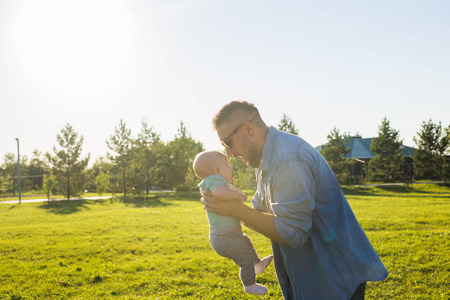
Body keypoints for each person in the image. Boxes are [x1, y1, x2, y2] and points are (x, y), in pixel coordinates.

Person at [202, 101, 388, 300]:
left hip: (333, 280)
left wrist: (235, 210)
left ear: (248, 128)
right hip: (314, 276)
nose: (228, 153)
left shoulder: (288, 159)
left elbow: (292, 233)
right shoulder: (266, 158)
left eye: (227, 143)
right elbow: (259, 209)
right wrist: (224, 205)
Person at [193, 150, 274, 295]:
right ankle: (249, 285)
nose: (231, 167)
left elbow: (228, 189)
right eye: (227, 164)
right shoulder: (214, 180)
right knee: (245, 259)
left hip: (226, 235)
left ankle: (258, 265)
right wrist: (237, 195)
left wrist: (238, 193)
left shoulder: (218, 182)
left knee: (246, 241)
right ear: (217, 170)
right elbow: (219, 193)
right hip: (225, 237)